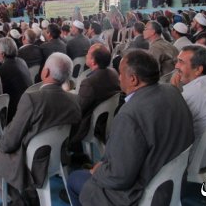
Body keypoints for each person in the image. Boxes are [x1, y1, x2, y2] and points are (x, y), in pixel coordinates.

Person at [67, 50, 194, 206]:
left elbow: (119, 178)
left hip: (140, 194)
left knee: (75, 179)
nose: (119, 78)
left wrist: (97, 171)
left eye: (121, 74)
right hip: (173, 181)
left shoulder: (130, 115)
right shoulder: (172, 91)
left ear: (133, 79)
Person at [0, 52, 81, 204]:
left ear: (45, 72)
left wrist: (2, 149)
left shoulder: (32, 99)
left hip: (29, 161)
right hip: (58, 157)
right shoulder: (74, 100)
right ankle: (28, 193)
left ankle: (13, 200)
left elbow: (11, 139)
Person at [70, 44, 120, 145]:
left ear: (93, 61)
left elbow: (79, 110)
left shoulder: (89, 83)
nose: (86, 55)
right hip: (111, 119)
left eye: (88, 53)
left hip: (92, 125)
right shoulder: (114, 72)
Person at [0, 37, 32, 123]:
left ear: (3, 54)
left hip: (16, 112)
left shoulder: (2, 70)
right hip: (29, 104)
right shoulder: (21, 61)